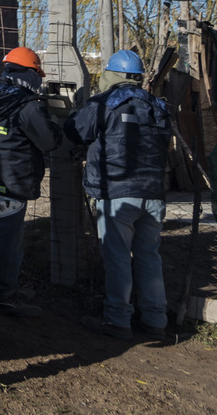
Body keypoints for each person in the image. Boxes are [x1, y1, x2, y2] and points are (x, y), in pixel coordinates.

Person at [64, 49, 174, 341]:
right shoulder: (159, 107)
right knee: (150, 258)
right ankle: (156, 322)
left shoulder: (105, 103)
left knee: (117, 259)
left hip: (118, 193)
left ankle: (117, 321)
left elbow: (75, 132)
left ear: (112, 75)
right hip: (154, 194)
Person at [0, 45, 61, 317]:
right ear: (32, 73)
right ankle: (4, 298)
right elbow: (48, 141)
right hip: (13, 184)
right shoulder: (27, 104)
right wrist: (55, 121)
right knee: (9, 244)